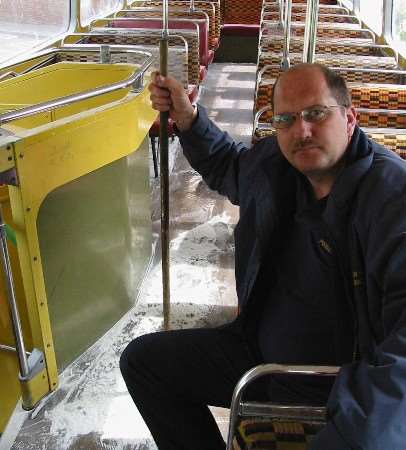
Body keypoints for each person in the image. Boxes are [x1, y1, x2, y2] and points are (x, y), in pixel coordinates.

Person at [120, 63, 406, 450]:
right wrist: (188, 119)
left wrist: (351, 436)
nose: (301, 131)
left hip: (332, 381)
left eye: (316, 114)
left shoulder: (391, 201)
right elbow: (230, 166)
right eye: (285, 119)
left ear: (350, 117)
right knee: (145, 363)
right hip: (256, 351)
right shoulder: (277, 164)